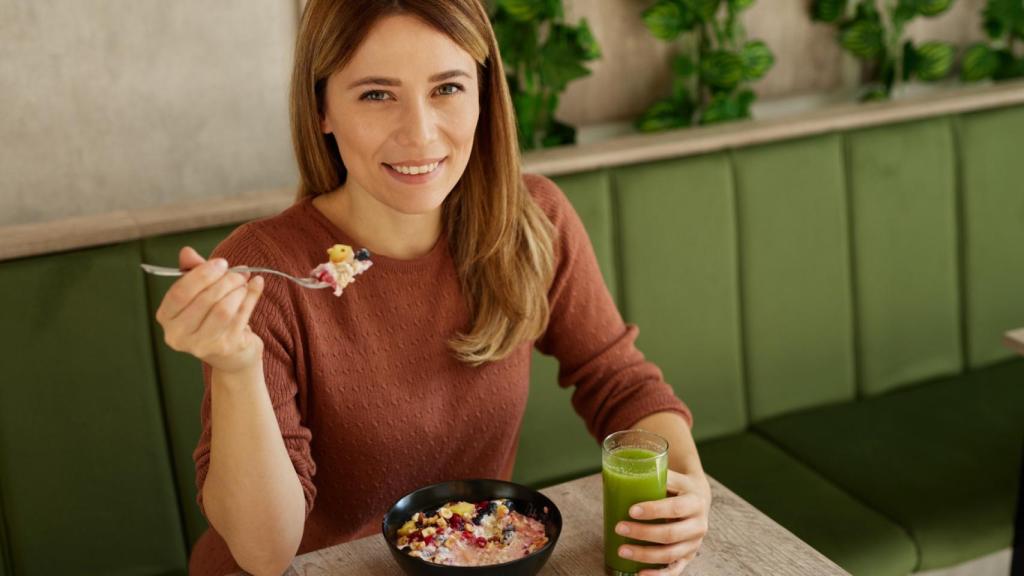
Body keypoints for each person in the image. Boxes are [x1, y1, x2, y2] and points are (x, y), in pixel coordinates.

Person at [154, 1, 711, 574]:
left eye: (447, 88)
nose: (419, 134)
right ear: (321, 107)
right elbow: (265, 552)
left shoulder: (531, 220)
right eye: (376, 94)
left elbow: (615, 379)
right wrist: (238, 366)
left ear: (483, 95)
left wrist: (687, 493)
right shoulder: (262, 272)